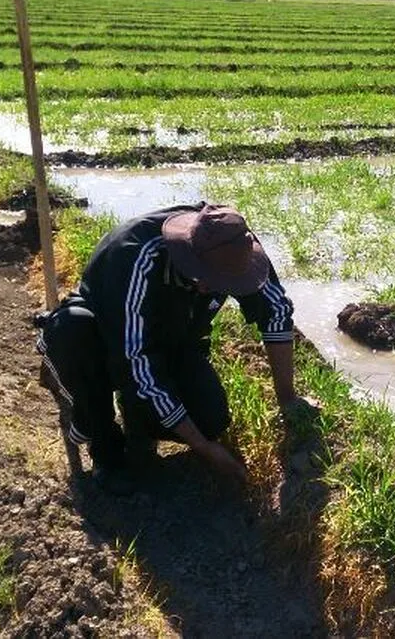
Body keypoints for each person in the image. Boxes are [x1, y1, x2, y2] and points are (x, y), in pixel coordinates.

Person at [35, 202, 317, 495]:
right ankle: (103, 442)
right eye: (209, 280)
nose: (215, 288)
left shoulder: (237, 246)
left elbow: (276, 310)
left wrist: (287, 398)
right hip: (107, 335)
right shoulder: (135, 257)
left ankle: (140, 422)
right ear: (187, 255)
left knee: (211, 419)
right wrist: (204, 449)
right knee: (73, 332)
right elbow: (134, 361)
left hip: (177, 337)